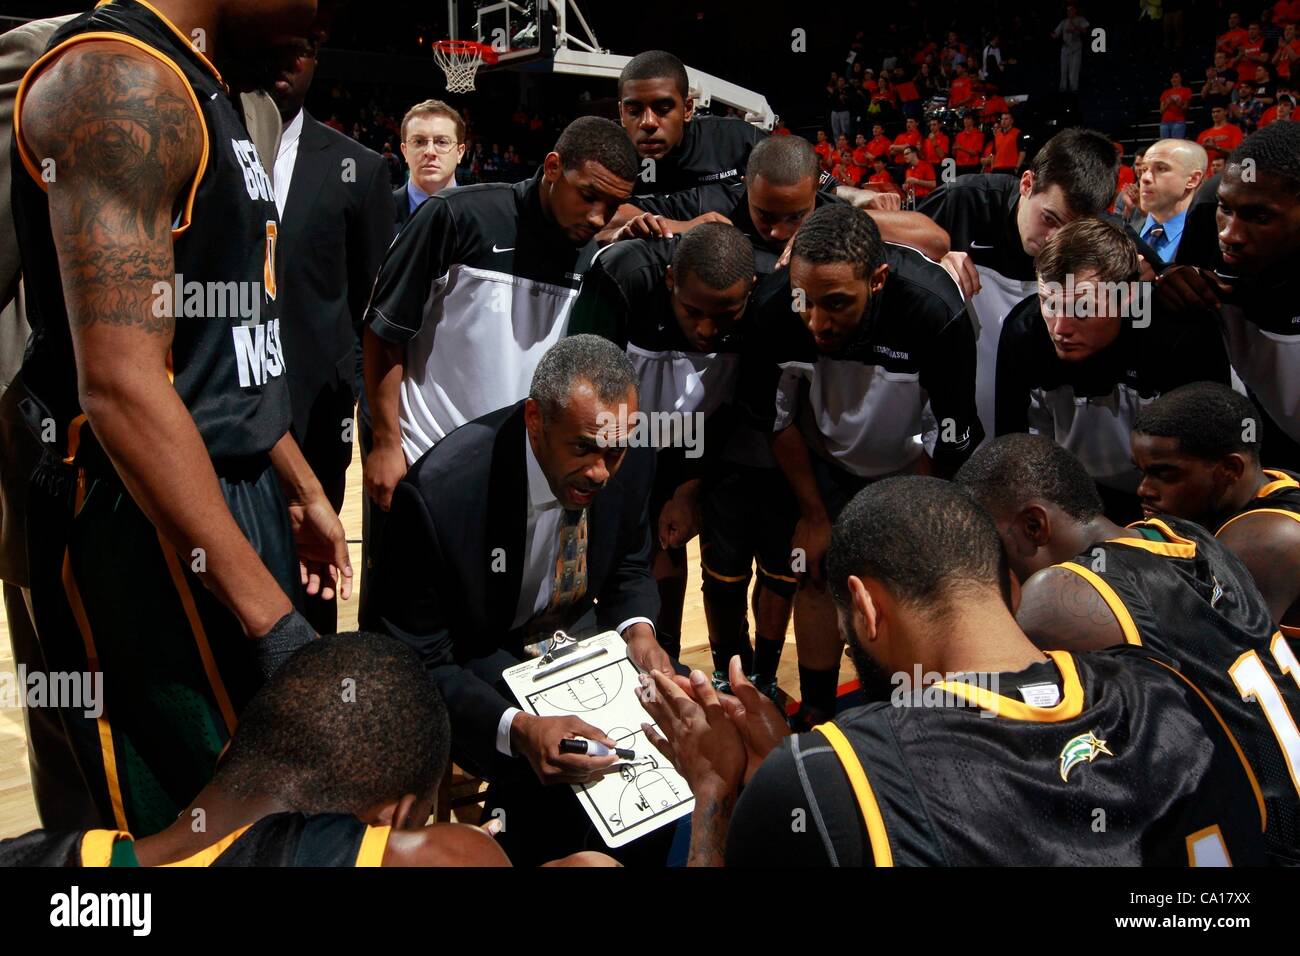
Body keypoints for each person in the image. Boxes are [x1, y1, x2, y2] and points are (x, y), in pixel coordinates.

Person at [12, 0, 351, 837]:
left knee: (262, 811)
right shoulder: (115, 78)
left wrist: (302, 486)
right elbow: (123, 387)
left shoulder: (205, 85)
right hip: (142, 513)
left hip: (230, 488)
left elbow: (219, 348)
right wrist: (269, 622)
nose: (323, 24)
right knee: (179, 829)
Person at [636, 476, 1268, 866]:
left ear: (864, 607)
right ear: (1012, 590)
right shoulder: (1172, 692)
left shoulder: (837, 780)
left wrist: (718, 789)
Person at [371, 336, 673, 865]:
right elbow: (416, 660)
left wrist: (640, 635)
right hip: (479, 653)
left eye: (614, 452)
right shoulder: (440, 495)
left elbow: (628, 566)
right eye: (583, 448)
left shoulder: (629, 451)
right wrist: (520, 729)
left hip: (577, 636)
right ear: (535, 420)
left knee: (663, 755)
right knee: (555, 776)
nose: (602, 470)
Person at [957, 434, 1299, 863]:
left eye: (989, 546)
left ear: (1033, 526)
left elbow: (979, 714)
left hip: (1264, 847)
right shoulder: (1185, 534)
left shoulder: (1058, 595)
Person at [0, 633, 615, 867]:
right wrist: (715, 788)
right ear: (392, 823)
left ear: (230, 755)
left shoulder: (45, 860)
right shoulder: (446, 858)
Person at [740, 204, 980, 726]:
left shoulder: (936, 309)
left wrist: (901, 516)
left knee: (905, 580)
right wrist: (814, 513)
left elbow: (950, 435)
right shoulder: (773, 307)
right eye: (806, 301)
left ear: (878, 279)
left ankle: (907, 715)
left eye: (836, 304)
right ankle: (820, 713)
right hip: (825, 460)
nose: (816, 322)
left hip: (914, 466)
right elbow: (775, 420)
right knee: (813, 569)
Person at [361, 116, 638, 518]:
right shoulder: (455, 217)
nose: (598, 216)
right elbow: (385, 331)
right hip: (425, 458)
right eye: (588, 195)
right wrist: (386, 443)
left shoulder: (591, 255)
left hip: (520, 473)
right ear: (554, 167)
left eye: (611, 206)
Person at [569, 227, 794, 696]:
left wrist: (693, 487)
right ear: (670, 280)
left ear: (749, 292)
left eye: (724, 314)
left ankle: (662, 657)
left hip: (698, 442)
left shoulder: (769, 303)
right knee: (600, 553)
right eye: (693, 311)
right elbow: (578, 378)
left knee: (665, 545)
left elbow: (743, 412)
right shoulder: (623, 276)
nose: (707, 329)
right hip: (615, 436)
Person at [270, 20, 393, 635]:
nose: (291, 59)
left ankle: (309, 713)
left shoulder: (360, 168)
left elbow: (373, 302)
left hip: (314, 412)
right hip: (208, 403)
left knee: (310, 578)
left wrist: (349, 388)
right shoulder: (200, 152)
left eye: (306, 48)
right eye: (282, 42)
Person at [994, 218, 1228, 522]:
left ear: (1128, 296)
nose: (1061, 328)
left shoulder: (1181, 336)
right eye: (1049, 304)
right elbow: (1014, 453)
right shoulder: (1023, 332)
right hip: (1074, 498)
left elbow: (1210, 465)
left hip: (1176, 503)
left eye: (1084, 308)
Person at [918, 127, 1134, 450]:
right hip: (956, 391)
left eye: (1072, 229)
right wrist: (932, 264)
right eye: (1049, 219)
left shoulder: (1109, 235)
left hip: (1031, 399)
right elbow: (891, 261)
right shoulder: (962, 201)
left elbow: (1162, 279)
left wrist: (1169, 277)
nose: (1054, 240)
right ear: (1027, 183)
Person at [1160, 123, 1300, 470]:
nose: (1230, 235)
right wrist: (1168, 281)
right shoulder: (1208, 214)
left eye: (1260, 216)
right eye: (1228, 208)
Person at [618, 136, 949, 269]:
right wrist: (683, 226)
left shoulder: (829, 211)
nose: (777, 232)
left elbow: (936, 239)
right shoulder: (715, 200)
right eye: (765, 215)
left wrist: (832, 226)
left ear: (813, 194)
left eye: (795, 217)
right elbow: (614, 214)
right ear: (747, 185)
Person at [1132, 382, 1300, 635]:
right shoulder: (1272, 481)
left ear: (1230, 469)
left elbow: (1209, 654)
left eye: (1165, 474)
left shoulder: (1264, 541)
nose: (1144, 490)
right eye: (1141, 471)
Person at [393, 99, 466, 229]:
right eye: (419, 141)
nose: (430, 151)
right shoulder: (376, 212)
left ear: (460, 152)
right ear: (405, 151)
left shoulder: (483, 216)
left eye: (442, 142)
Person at [1136, 138, 1206, 261]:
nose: (1145, 178)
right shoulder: (1120, 235)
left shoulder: (1211, 242)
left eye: (1161, 168)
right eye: (1144, 170)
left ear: (1193, 179)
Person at [1051, 4, 1090, 93]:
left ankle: (1073, 89)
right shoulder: (1064, 21)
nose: (1069, 12)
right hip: (1065, 48)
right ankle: (1063, 88)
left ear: (1075, 10)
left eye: (1071, 10)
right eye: (1068, 10)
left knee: (1074, 70)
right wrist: (1054, 35)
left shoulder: (1081, 19)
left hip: (1076, 48)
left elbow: (1085, 31)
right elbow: (1056, 33)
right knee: (1063, 70)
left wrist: (1075, 27)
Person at [1159, 71, 1194, 140]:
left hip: (1178, 122)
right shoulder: (1166, 92)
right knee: (1164, 145)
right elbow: (1161, 111)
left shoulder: (1186, 90)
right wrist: (1168, 103)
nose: (1173, 79)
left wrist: (1176, 103)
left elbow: (1186, 108)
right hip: (1165, 122)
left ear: (1181, 79)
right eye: (1172, 78)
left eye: (1176, 77)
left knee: (1176, 144)